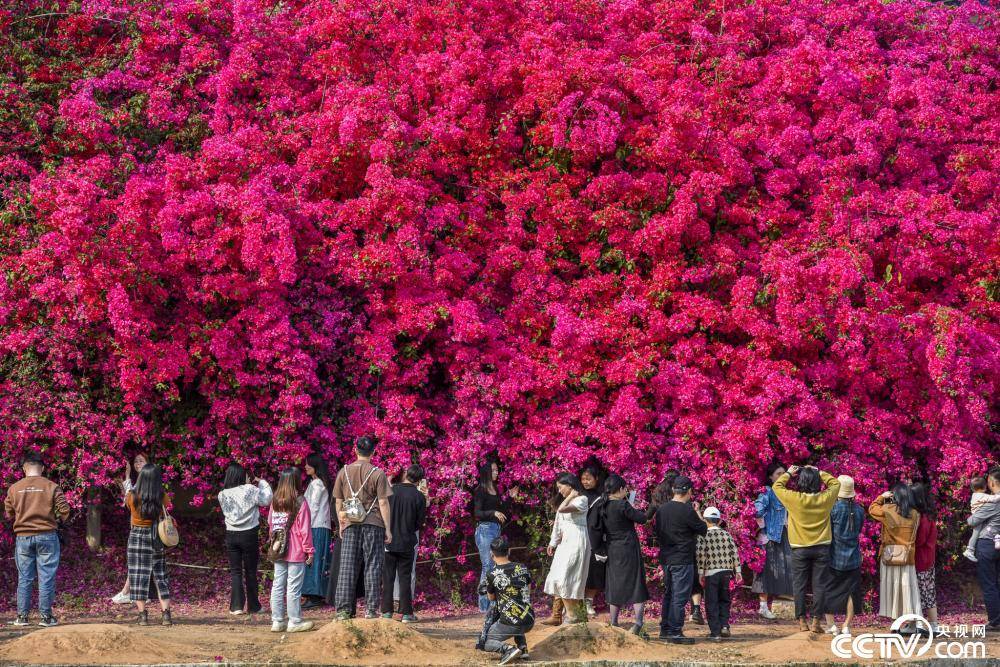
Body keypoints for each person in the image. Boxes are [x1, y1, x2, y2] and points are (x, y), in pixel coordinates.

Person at [4, 450, 70, 627]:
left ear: (24, 468)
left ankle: (22, 617)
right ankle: (46, 618)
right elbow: (65, 510)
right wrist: (57, 520)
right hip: (47, 536)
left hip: (23, 537)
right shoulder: (51, 486)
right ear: (42, 468)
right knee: (46, 577)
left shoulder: (14, 488)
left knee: (25, 577)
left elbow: (9, 513)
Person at [772, 465, 840, 632]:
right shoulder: (825, 498)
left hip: (799, 548)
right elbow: (835, 484)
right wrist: (819, 471)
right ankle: (816, 621)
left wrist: (788, 473)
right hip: (822, 547)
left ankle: (802, 620)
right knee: (820, 585)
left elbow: (777, 486)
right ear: (817, 482)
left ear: (800, 481)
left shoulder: (794, 499)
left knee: (799, 585)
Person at [332, 436, 392, 620]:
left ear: (355, 450)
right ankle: (371, 610)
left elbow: (339, 502)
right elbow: (383, 503)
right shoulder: (378, 473)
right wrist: (388, 529)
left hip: (350, 523)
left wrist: (342, 523)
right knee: (373, 565)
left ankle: (343, 610)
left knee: (347, 567)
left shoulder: (344, 472)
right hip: (373, 523)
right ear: (373, 452)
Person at [653, 474, 707, 644]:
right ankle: (675, 632)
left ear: (673, 490)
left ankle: (665, 630)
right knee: (680, 597)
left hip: (667, 559)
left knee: (669, 595)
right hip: (683, 558)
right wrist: (698, 511)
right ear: (689, 491)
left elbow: (658, 533)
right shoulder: (687, 510)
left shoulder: (662, 509)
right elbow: (703, 528)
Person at [218, 461, 272, 615]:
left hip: (231, 534)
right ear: (242, 476)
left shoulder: (222, 494)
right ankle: (254, 606)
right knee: (250, 571)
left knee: (236, 571)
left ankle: (236, 606)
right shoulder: (249, 489)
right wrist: (261, 482)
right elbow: (266, 499)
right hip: (249, 534)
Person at [600, 474, 649, 636]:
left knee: (614, 584)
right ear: (620, 489)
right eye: (624, 489)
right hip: (628, 548)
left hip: (612, 549)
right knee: (636, 584)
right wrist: (631, 505)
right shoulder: (623, 505)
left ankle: (614, 622)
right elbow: (642, 519)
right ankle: (638, 623)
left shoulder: (603, 506)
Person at [268, 467, 315, 633]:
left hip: (279, 548)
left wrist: (275, 543)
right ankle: (294, 621)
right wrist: (309, 550)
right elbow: (305, 530)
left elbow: (271, 525)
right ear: (296, 480)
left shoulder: (275, 501)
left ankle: (277, 621)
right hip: (295, 550)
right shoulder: (300, 501)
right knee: (293, 587)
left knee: (278, 585)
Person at [868, 483, 921, 627]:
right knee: (908, 589)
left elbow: (872, 509)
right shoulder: (916, 514)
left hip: (890, 556)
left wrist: (881, 497)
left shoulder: (887, 510)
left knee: (892, 589)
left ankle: (896, 622)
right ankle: (912, 620)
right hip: (907, 557)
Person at [125, 464, 172, 626]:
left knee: (138, 575)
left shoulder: (132, 496)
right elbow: (167, 506)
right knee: (160, 575)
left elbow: (129, 508)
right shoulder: (161, 496)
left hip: (137, 536)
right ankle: (166, 615)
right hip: (156, 536)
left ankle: (142, 615)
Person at [543, 473, 591, 625]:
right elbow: (558, 524)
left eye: (560, 487)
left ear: (569, 486)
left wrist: (571, 497)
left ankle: (573, 616)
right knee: (558, 576)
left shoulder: (582, 500)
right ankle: (568, 615)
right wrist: (553, 543)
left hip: (577, 541)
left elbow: (562, 510)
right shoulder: (565, 501)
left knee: (569, 578)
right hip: (565, 543)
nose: (559, 491)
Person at [382, 464, 427, 623]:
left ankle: (386, 611)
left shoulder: (391, 491)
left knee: (388, 576)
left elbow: (383, 513)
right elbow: (419, 523)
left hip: (389, 540)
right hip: (407, 541)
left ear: (406, 474)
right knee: (405, 577)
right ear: (420, 479)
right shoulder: (419, 496)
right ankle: (406, 613)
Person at [482, 536, 534, 666]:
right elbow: (527, 591)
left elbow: (491, 598)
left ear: (491, 554)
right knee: (517, 611)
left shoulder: (491, 573)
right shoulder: (522, 568)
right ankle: (523, 648)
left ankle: (509, 649)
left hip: (510, 623)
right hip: (529, 619)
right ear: (509, 551)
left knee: (488, 642)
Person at [823, 475, 864, 636]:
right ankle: (846, 625)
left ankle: (832, 625)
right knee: (851, 593)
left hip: (834, 556)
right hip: (853, 557)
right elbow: (859, 530)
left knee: (829, 590)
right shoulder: (860, 510)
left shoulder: (832, 509)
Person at [752, 462, 794, 619]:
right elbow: (756, 511)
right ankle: (763, 606)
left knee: (786, 568)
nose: (782, 476)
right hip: (770, 536)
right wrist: (764, 523)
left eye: (784, 473)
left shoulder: (787, 492)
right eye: (778, 473)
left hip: (784, 534)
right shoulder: (767, 492)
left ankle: (777, 604)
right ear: (771, 477)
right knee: (766, 571)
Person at [696, 507, 741, 641]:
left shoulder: (703, 535)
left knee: (711, 602)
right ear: (719, 520)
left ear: (705, 520)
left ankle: (715, 633)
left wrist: (700, 573)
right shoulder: (727, 535)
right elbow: (734, 552)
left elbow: (701, 556)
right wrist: (738, 571)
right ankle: (724, 626)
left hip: (711, 573)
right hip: (726, 572)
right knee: (724, 600)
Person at [112, 450, 149, 605]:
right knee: (141, 561)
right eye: (136, 462)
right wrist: (127, 477)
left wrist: (126, 480)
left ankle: (129, 592)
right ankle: (136, 593)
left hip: (143, 527)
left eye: (141, 461)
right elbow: (129, 500)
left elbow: (131, 500)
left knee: (137, 560)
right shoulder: (142, 480)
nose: (137, 464)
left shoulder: (146, 481)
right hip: (138, 525)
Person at [473, 458, 508, 613]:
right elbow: (478, 513)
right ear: (487, 472)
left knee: (495, 565)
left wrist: (511, 498)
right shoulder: (481, 490)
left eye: (497, 470)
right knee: (488, 566)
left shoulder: (495, 489)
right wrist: (493, 512)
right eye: (493, 470)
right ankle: (484, 604)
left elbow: (502, 511)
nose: (496, 472)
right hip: (485, 530)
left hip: (495, 529)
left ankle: (492, 603)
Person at [968, 468, 1000, 630]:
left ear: (993, 482)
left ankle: (995, 621)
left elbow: (973, 521)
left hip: (987, 544)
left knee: (989, 584)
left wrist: (970, 517)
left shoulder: (992, 503)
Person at [301, 453, 332, 608]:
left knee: (313, 558)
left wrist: (304, 528)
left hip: (315, 526)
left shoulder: (316, 484)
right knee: (319, 558)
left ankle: (314, 594)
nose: (306, 467)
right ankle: (317, 593)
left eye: (308, 464)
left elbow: (313, 507)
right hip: (321, 526)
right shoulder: (319, 483)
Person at [580, 462, 608, 619]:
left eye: (589, 478)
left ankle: (588, 602)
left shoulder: (601, 498)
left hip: (595, 539)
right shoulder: (577, 496)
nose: (585, 482)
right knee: (578, 571)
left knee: (594, 572)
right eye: (583, 479)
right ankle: (576, 602)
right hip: (579, 537)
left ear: (596, 479)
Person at [911, 481, 940, 633]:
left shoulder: (922, 518)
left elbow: (920, 540)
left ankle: (928, 625)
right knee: (928, 592)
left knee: (922, 593)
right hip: (928, 559)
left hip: (921, 560)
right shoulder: (929, 515)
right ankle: (932, 625)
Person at [963, 477, 1000, 562]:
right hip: (978, 516)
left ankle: (970, 550)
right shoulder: (981, 495)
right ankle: (969, 550)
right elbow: (994, 499)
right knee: (975, 534)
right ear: (984, 487)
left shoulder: (975, 495)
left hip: (978, 517)